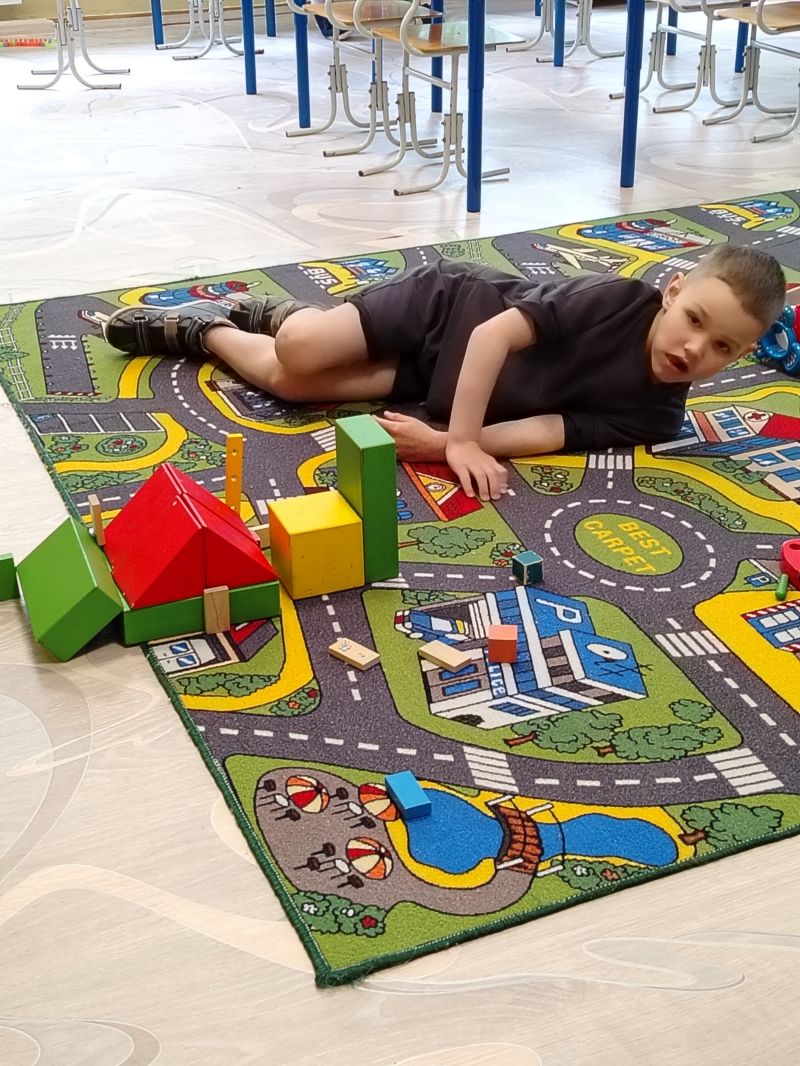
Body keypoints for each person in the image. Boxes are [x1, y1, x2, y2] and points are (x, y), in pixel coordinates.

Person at [103, 245, 786, 502]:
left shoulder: (658, 414)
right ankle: (279, 315)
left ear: (741, 355)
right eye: (694, 319)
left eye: (722, 347)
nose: (695, 348)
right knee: (303, 347)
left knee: (293, 386)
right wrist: (459, 440)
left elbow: (553, 429)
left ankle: (204, 331)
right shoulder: (611, 299)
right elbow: (493, 334)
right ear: (671, 292)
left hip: (434, 378)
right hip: (447, 308)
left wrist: (444, 441)